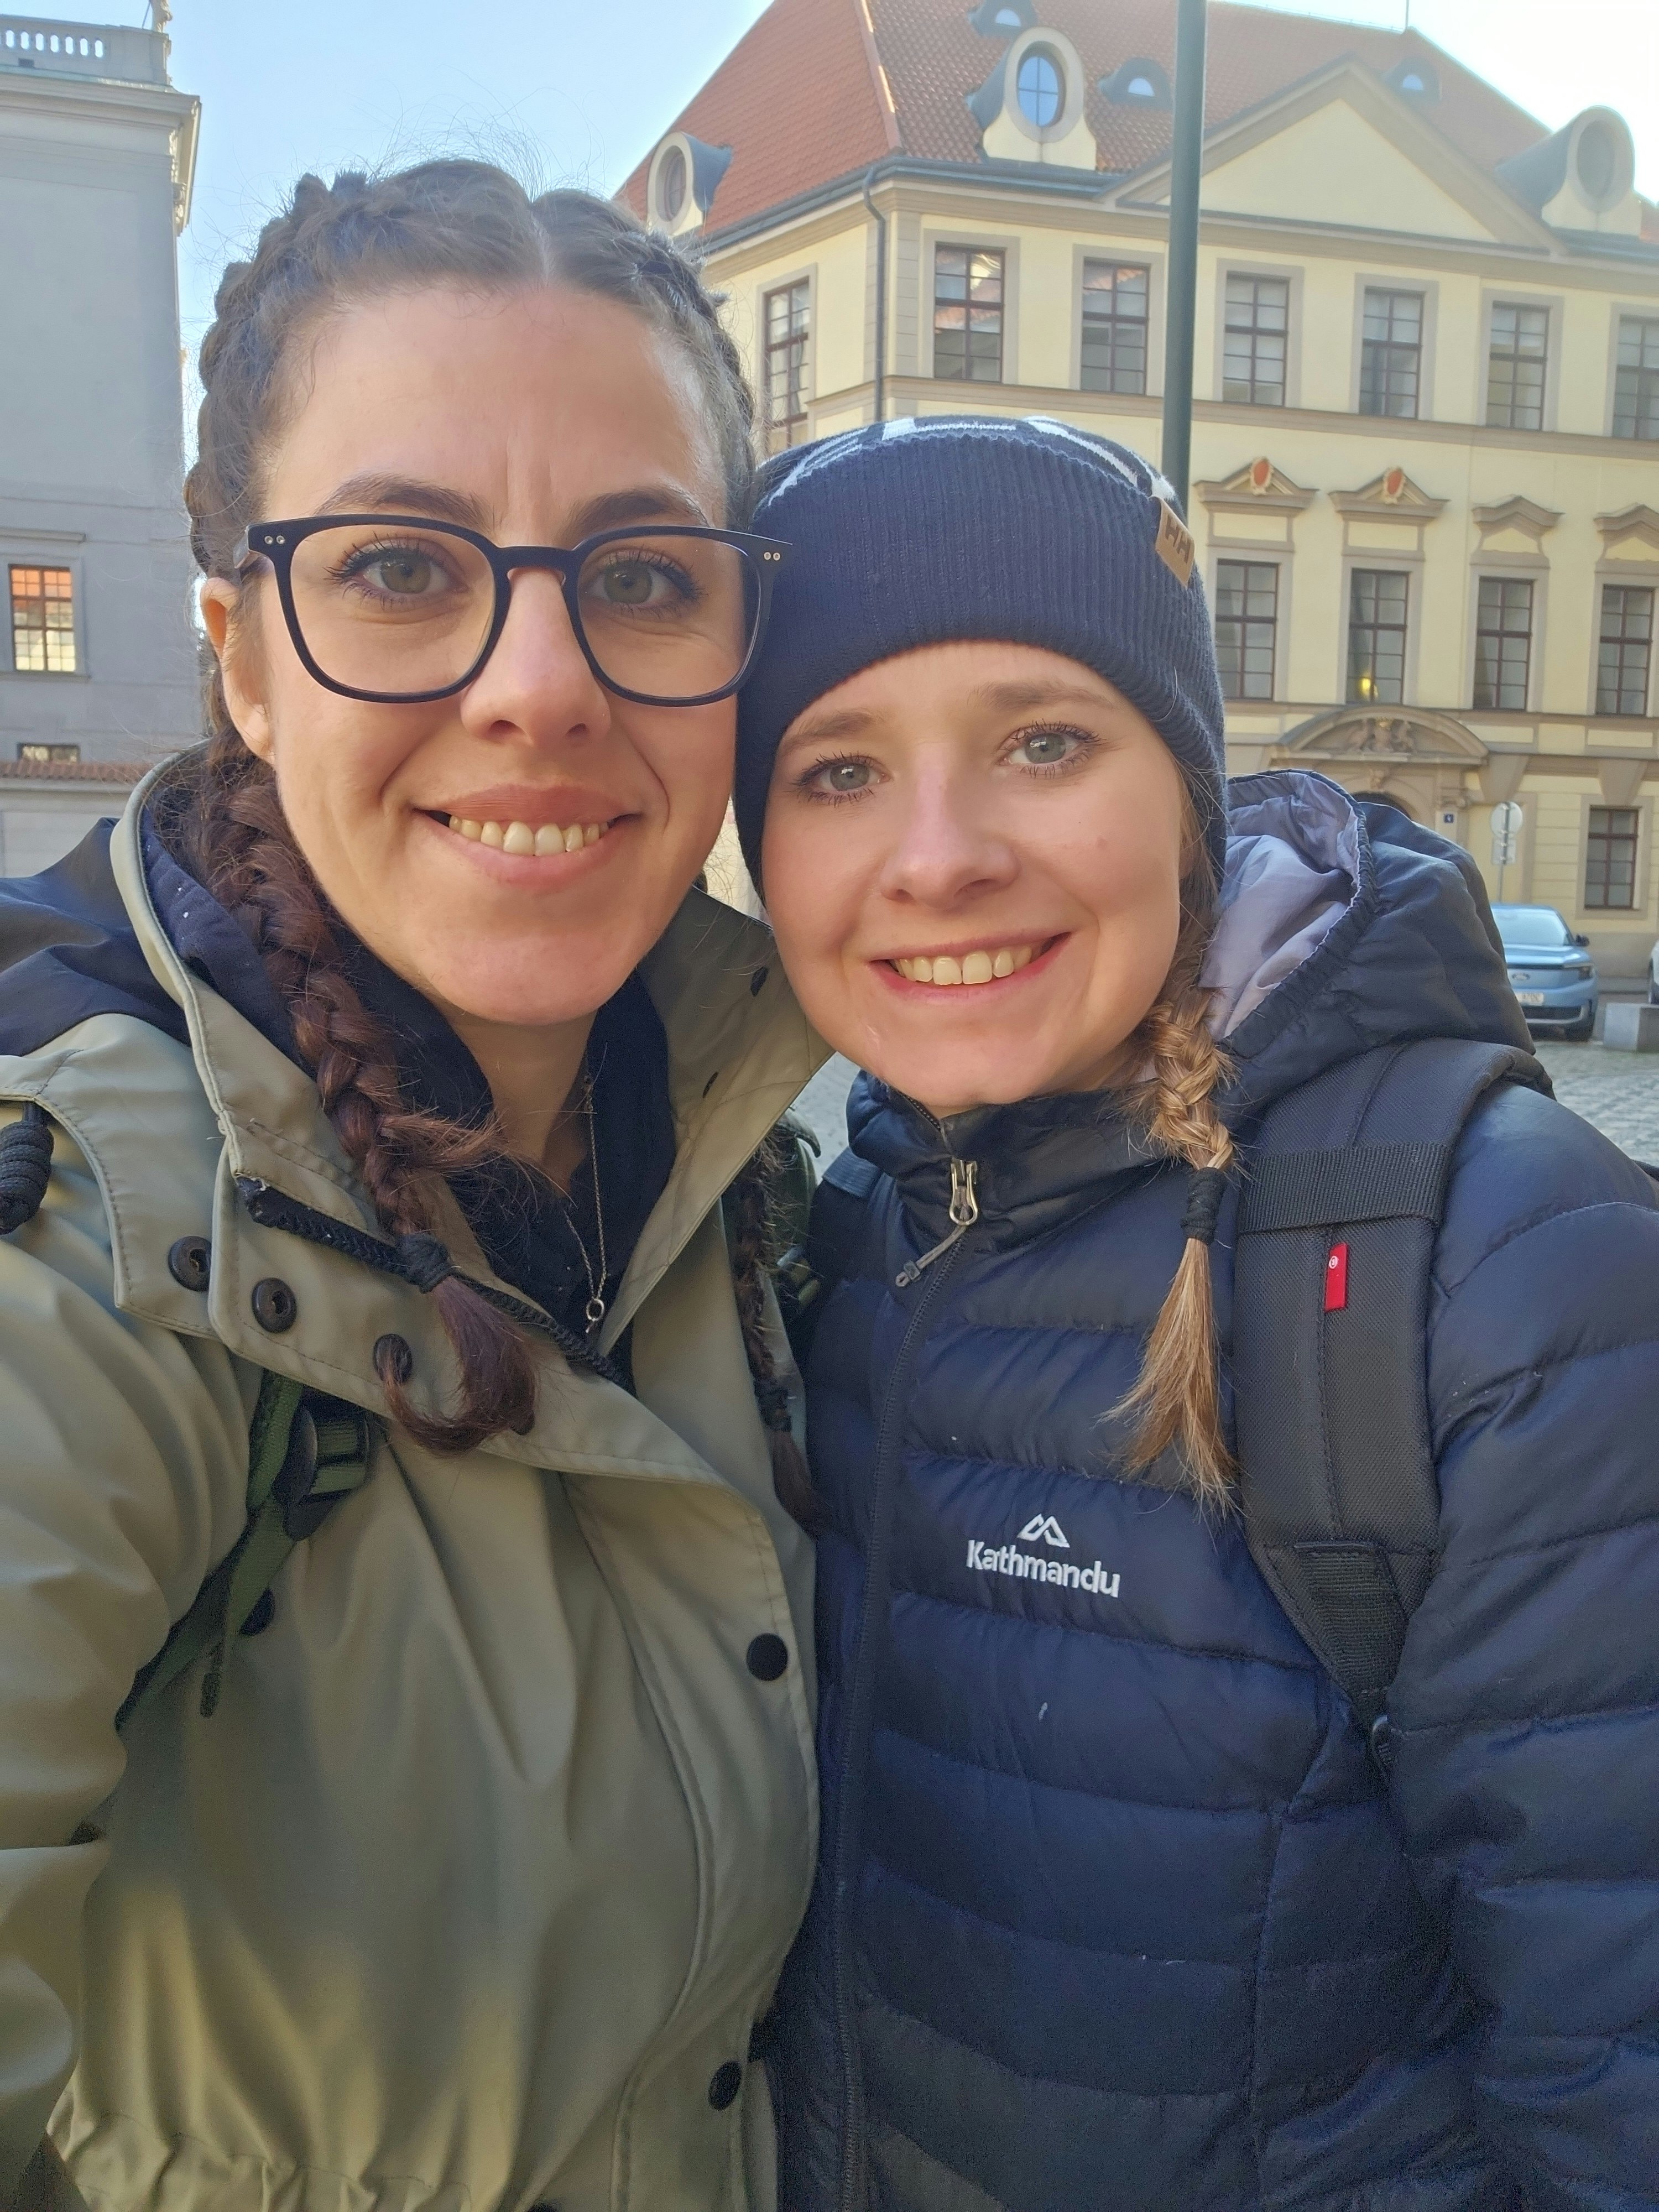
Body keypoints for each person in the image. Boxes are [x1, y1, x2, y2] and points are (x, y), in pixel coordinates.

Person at [0, 163, 826, 2212]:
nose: (540, 681)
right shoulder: (81, 1223)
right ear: (244, 663)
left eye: (641, 576)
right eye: (396, 567)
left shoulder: (745, 1165)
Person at [733, 416, 1659, 2210]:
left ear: (1190, 788)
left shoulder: (1500, 1271)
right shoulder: (847, 1219)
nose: (938, 858)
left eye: (1047, 742)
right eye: (838, 770)